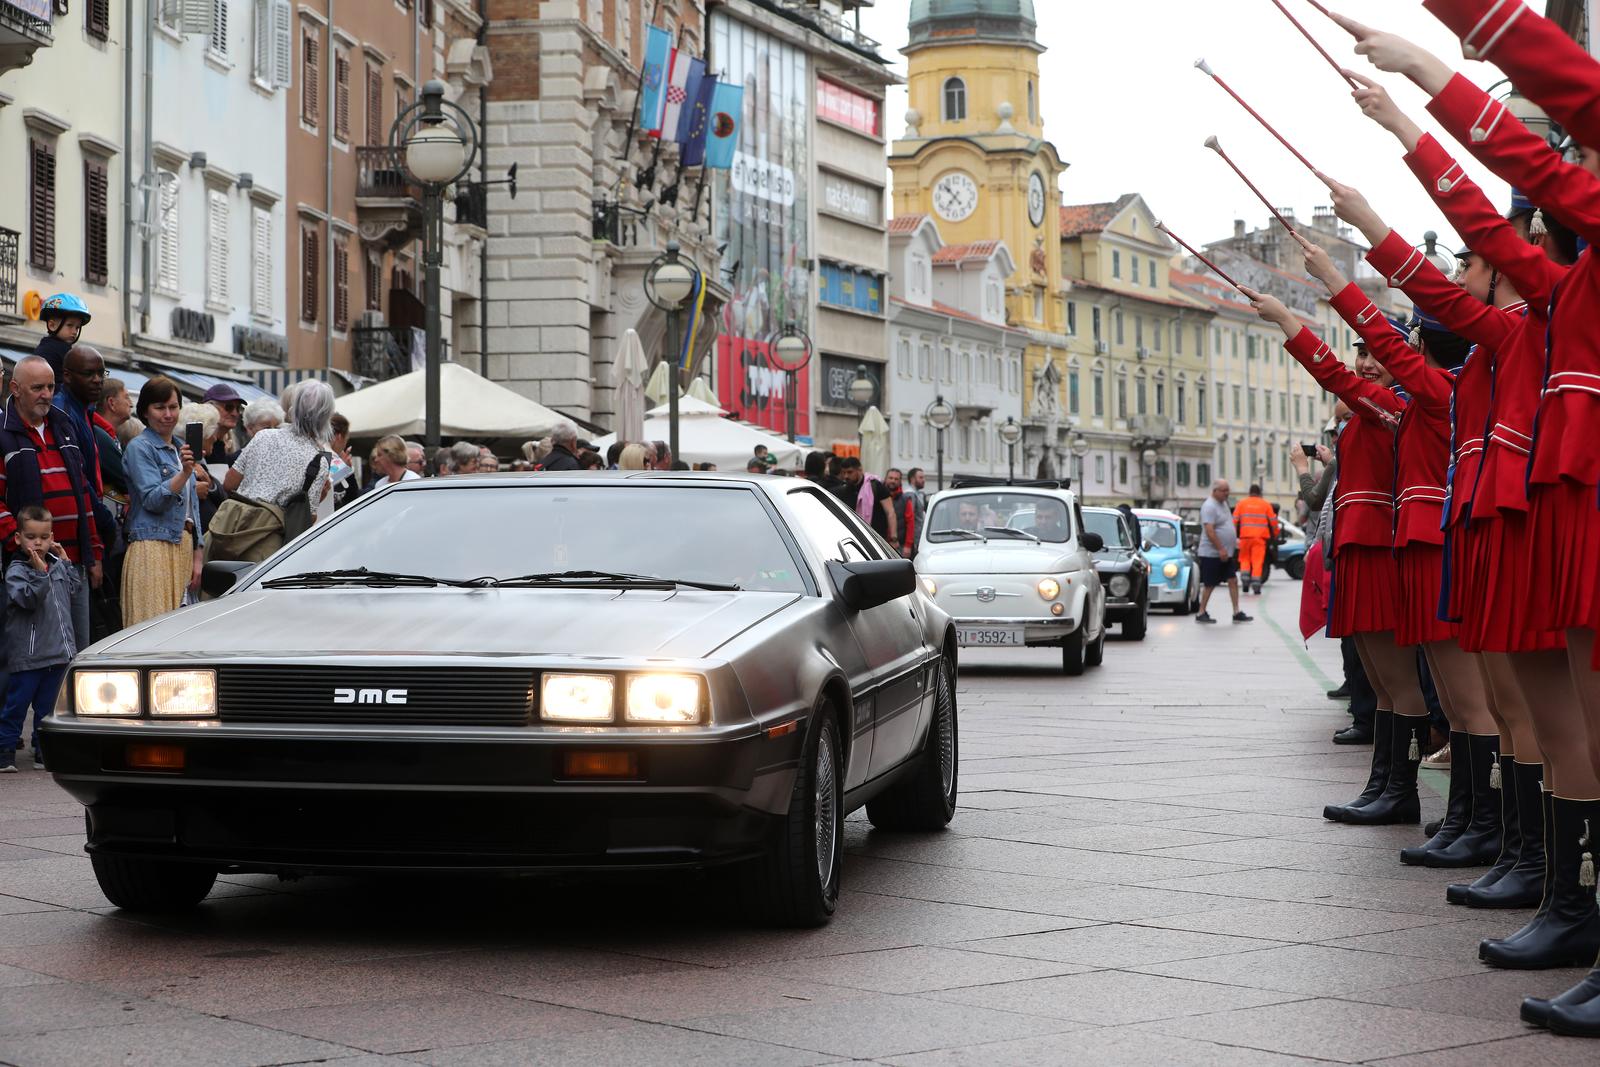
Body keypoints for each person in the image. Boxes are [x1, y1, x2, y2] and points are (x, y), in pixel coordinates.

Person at [0, 356, 102, 652]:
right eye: (37, 388)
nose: (46, 394)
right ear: (15, 388)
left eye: (50, 387)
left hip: (73, 562)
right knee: (38, 653)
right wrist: (22, 540)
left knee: (78, 651)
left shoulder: (63, 424)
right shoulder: (3, 434)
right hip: (30, 566)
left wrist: (93, 551)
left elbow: (83, 493)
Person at [0, 506, 80, 771]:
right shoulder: (17, 569)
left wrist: (65, 563)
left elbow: (74, 590)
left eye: (44, 537)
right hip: (29, 654)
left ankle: (41, 749)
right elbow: (27, 599)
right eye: (31, 537)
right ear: (18, 538)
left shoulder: (55, 565)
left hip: (56, 652)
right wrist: (39, 573)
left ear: (52, 538)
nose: (38, 542)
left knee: (47, 708)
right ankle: (5, 749)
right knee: (17, 705)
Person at [121, 377, 204, 628]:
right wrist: (185, 473)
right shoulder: (139, 447)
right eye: (159, 407)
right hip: (152, 546)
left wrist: (198, 554)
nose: (168, 414)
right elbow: (153, 500)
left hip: (182, 545)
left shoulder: (181, 448)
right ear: (145, 411)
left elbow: (192, 508)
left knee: (179, 631)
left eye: (173, 407)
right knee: (151, 628)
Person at [1195, 479, 1248, 625]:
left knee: (1232, 580)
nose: (1227, 493)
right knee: (1210, 584)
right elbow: (1210, 531)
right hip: (1212, 553)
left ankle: (1236, 611)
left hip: (1225, 553)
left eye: (1227, 490)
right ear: (1215, 491)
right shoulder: (1209, 506)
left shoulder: (1223, 503)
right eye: (1224, 491)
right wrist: (1220, 548)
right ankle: (1201, 612)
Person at [1232, 483, 1279, 594]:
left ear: (1249, 492)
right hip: (1259, 538)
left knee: (1244, 559)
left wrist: (1233, 536)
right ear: (1259, 493)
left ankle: (1245, 582)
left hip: (1244, 537)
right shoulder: (1265, 504)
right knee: (1257, 561)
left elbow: (1234, 520)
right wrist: (1276, 534)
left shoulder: (1241, 504)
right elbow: (1273, 522)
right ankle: (1256, 586)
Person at [837, 457, 897, 545]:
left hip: (877, 539)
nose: (846, 476)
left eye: (850, 472)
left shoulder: (876, 486)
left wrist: (893, 538)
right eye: (844, 472)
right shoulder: (844, 490)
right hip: (853, 539)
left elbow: (890, 512)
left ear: (859, 470)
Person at [33, 293, 91, 379]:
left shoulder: (45, 346)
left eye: (77, 327)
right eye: (70, 325)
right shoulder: (54, 350)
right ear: (52, 325)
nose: (75, 331)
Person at [203, 383, 246, 461]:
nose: (235, 413)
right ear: (210, 407)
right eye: (229, 407)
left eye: (238, 408)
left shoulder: (224, 445)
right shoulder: (199, 443)